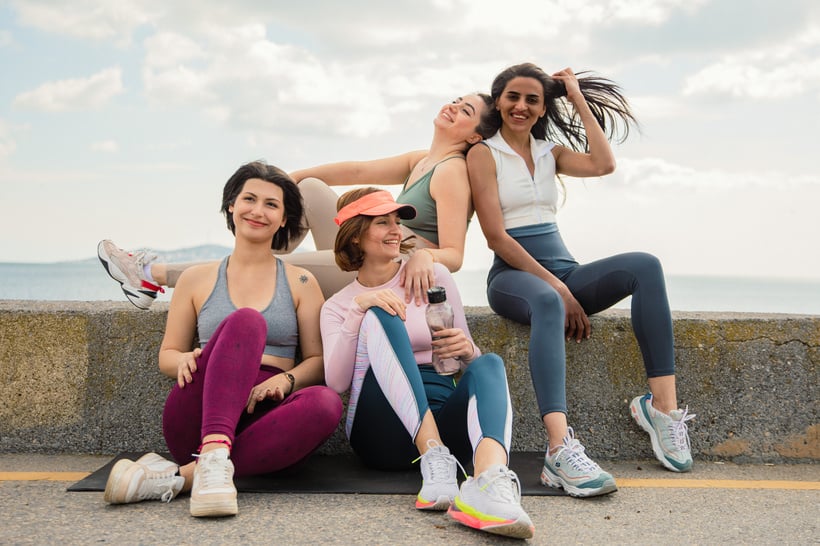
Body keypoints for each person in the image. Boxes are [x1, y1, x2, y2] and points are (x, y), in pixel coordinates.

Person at [466, 63, 695, 497]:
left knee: (645, 265)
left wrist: (576, 99)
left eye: (533, 99)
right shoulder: (483, 153)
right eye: (513, 96)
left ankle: (661, 409)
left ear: (542, 107)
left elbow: (604, 163)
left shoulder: (549, 152)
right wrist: (558, 287)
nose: (521, 106)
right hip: (515, 278)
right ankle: (559, 448)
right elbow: (496, 236)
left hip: (563, 272)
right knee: (550, 302)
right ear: (498, 101)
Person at [102, 161, 343, 517]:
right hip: (199, 417)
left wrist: (286, 379)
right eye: (249, 199)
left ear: (283, 218)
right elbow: (167, 354)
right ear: (232, 205)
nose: (258, 211)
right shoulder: (195, 279)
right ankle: (212, 452)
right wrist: (182, 360)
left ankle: (181, 478)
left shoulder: (301, 281)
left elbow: (319, 362)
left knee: (326, 403)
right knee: (246, 322)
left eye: (271, 205)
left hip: (267, 419)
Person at [97, 94, 497, 308]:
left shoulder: (452, 171)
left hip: (390, 269)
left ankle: (153, 273)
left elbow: (455, 255)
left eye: (464, 111)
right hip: (364, 248)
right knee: (312, 190)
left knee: (278, 267)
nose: (452, 106)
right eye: (456, 99)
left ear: (475, 136)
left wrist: (427, 257)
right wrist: (292, 178)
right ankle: (255, 254)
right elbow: (356, 172)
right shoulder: (421, 160)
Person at [320, 187, 534, 539]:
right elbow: (337, 382)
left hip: (447, 430)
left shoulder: (434, 276)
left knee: (489, 362)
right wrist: (360, 310)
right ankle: (431, 454)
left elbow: (467, 362)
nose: (396, 230)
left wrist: (467, 351)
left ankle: (489, 483)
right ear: (356, 236)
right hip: (381, 432)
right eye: (382, 222)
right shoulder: (339, 306)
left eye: (396, 221)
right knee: (380, 314)